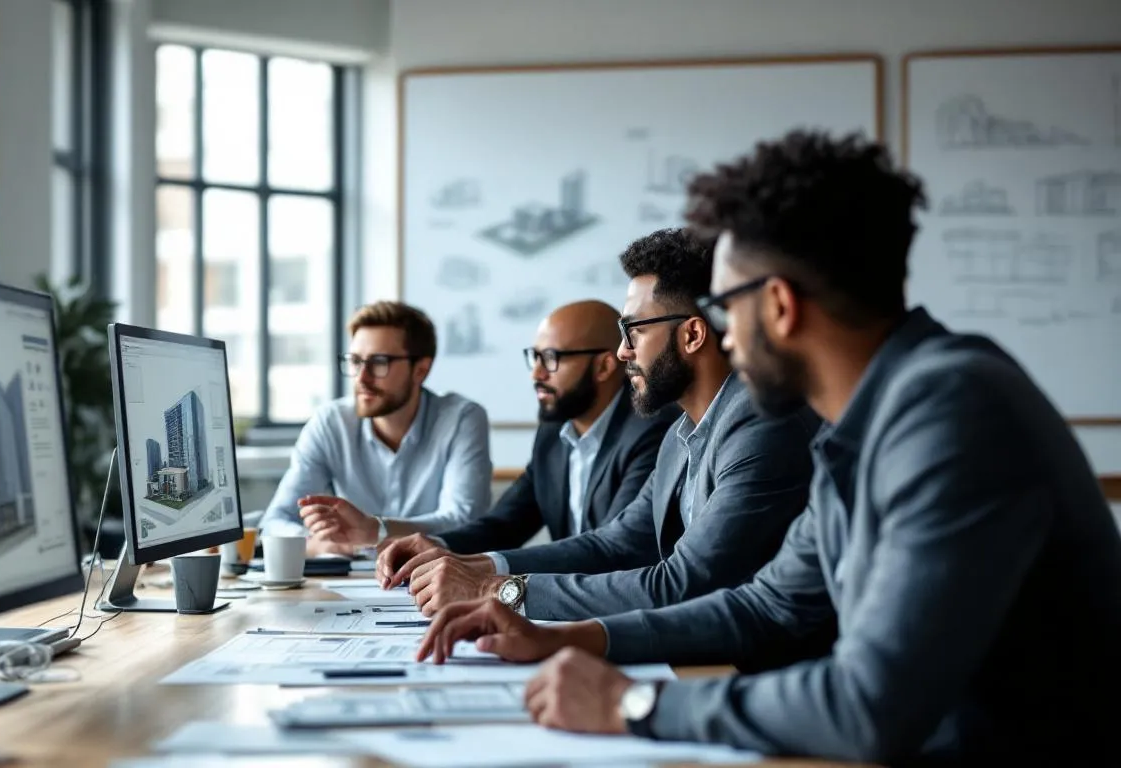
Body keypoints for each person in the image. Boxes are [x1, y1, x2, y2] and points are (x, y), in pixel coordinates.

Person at [415, 131, 1121, 765]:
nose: (720, 336)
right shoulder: (870, 417)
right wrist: (569, 637)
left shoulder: (951, 412)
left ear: (778, 306)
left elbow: (869, 706)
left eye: (723, 308)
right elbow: (766, 605)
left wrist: (633, 704)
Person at [381, 229, 817, 620]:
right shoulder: (680, 434)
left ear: (692, 335)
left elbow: (684, 583)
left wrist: (498, 591)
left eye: (633, 332)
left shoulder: (761, 426)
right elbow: (614, 544)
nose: (624, 352)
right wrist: (482, 565)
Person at [376, 301, 674, 591]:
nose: (536, 374)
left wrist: (484, 567)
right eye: (534, 357)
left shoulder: (653, 430)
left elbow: (611, 550)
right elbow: (506, 523)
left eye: (551, 358)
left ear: (604, 366)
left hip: (620, 609)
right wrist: (438, 546)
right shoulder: (553, 431)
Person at [259, 301, 492, 556]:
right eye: (355, 361)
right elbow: (275, 522)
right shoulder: (331, 423)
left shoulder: (461, 419)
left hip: (433, 577)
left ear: (421, 370)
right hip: (349, 581)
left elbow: (465, 521)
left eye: (379, 362)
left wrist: (376, 530)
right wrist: (318, 544)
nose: (362, 378)